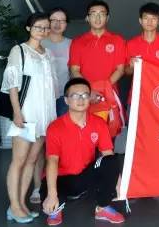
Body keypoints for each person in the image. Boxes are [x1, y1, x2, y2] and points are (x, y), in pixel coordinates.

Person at [41, 78, 125, 225]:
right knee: (51, 202)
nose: (81, 99)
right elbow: (52, 161)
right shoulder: (55, 127)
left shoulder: (98, 123)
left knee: (112, 160)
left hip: (85, 176)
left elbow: (108, 154)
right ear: (66, 100)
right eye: (75, 95)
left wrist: (118, 183)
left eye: (85, 95)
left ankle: (102, 208)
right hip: (62, 179)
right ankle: (56, 208)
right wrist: (52, 194)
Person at [4, 13, 57, 223]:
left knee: (33, 160)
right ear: (28, 28)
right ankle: (14, 206)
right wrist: (17, 112)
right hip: (27, 114)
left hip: (45, 115)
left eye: (46, 27)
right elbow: (12, 84)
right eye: (38, 27)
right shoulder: (19, 50)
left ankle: (21, 205)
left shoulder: (48, 53)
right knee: (18, 160)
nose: (42, 31)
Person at [31, 7, 72, 205]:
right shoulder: (40, 42)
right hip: (42, 101)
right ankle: (37, 187)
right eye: (53, 20)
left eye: (61, 20)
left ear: (66, 24)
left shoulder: (72, 44)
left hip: (64, 100)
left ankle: (59, 185)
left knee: (61, 145)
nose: (57, 24)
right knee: (40, 145)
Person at [69, 0, 126, 138]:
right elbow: (75, 70)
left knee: (108, 137)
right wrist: (89, 91)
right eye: (93, 14)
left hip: (109, 96)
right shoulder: (78, 42)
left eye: (102, 14)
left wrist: (103, 90)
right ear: (87, 18)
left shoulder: (117, 40)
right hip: (84, 97)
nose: (98, 17)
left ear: (107, 17)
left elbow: (120, 69)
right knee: (85, 137)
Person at [125, 2, 159, 75]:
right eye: (146, 18)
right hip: (139, 83)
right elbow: (127, 71)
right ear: (140, 21)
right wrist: (131, 67)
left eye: (154, 18)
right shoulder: (130, 44)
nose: (149, 22)